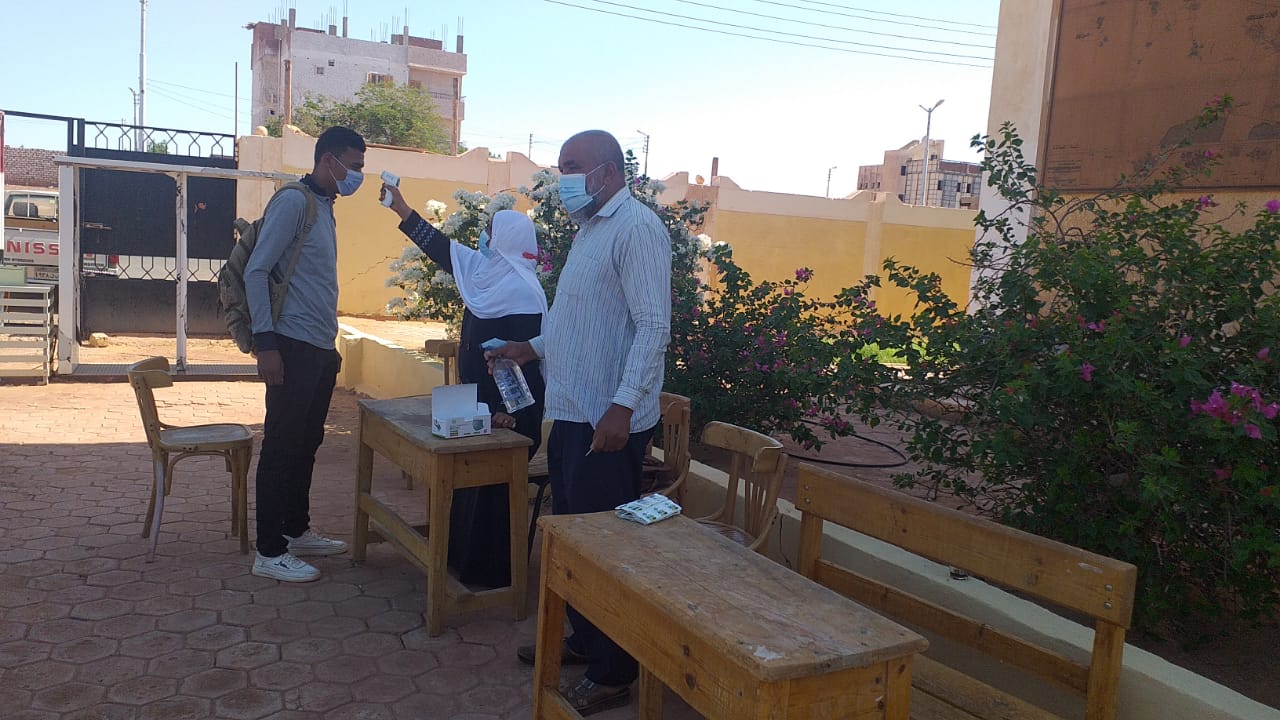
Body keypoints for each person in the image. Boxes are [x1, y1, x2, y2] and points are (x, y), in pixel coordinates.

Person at [488, 130, 671, 715]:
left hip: (606, 422)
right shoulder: (590, 229)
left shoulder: (638, 229)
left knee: (603, 549)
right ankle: (588, 641)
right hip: (571, 412)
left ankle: (614, 672)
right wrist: (530, 349)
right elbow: (579, 319)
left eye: (571, 166)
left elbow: (652, 326)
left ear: (607, 172)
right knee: (574, 540)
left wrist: (623, 405)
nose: (562, 178)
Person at [380, 184, 548, 588]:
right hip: (478, 405)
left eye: (490, 231)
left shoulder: (523, 292)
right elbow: (440, 247)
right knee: (466, 481)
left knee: (491, 489)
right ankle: (456, 559)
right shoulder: (481, 273)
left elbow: (523, 363)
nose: (483, 237)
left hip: (511, 413)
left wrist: (509, 412)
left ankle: (491, 575)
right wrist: (401, 208)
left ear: (506, 240)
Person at [247, 126, 366, 583]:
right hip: (291, 345)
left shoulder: (323, 205)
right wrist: (267, 344)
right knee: (281, 445)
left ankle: (295, 530)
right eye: (353, 167)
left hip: (318, 347)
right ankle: (269, 551)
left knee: (306, 443)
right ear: (329, 160)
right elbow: (257, 271)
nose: (357, 176)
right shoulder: (294, 202)